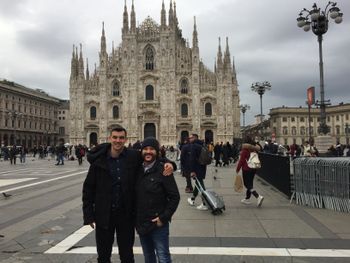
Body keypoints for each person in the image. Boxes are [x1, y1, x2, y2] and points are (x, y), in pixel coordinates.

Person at [82, 126, 176, 263]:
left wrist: (170, 163)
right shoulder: (99, 160)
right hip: (104, 214)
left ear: (126, 139)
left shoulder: (133, 156)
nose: (118, 141)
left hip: (126, 215)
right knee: (103, 254)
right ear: (110, 138)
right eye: (115, 137)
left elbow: (150, 156)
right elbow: (88, 189)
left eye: (121, 138)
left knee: (127, 254)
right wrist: (88, 214)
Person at [136, 137, 180, 263]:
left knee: (163, 257)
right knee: (148, 256)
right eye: (145, 149)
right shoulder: (136, 169)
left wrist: (163, 218)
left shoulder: (163, 170)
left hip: (158, 223)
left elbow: (175, 197)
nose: (148, 152)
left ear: (157, 151)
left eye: (151, 149)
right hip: (142, 222)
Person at [236, 136, 264, 207]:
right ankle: (247, 199)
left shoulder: (245, 150)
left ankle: (258, 196)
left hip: (247, 169)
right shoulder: (254, 149)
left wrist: (238, 169)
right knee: (250, 183)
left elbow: (242, 160)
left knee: (247, 184)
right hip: (254, 168)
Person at [186, 134, 209, 211]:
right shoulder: (202, 144)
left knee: (201, 186)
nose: (189, 139)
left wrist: (192, 171)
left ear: (195, 138)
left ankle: (205, 203)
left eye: (191, 138)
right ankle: (192, 199)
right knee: (198, 184)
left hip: (197, 168)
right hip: (202, 167)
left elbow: (192, 159)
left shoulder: (194, 146)